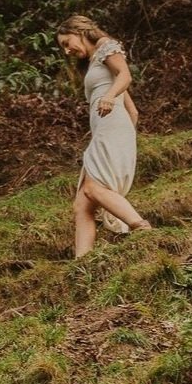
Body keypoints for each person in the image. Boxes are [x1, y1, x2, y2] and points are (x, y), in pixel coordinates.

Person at [56, 15, 151, 259]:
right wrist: (124, 137)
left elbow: (125, 75)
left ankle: (140, 226)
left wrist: (109, 97)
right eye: (63, 47)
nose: (67, 50)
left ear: (79, 31)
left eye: (68, 42)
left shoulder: (105, 46)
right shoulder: (95, 62)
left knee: (92, 187)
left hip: (111, 126)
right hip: (107, 129)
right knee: (82, 204)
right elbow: (133, 110)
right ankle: (82, 261)